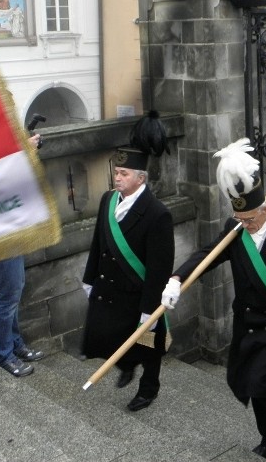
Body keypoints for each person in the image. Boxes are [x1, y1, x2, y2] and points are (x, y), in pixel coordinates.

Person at [161, 139, 266, 458]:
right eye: (240, 219)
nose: (245, 225)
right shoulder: (236, 229)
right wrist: (177, 278)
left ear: (264, 208)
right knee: (242, 382)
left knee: (261, 385)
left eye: (250, 220)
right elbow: (207, 255)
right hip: (247, 322)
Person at [81, 112, 174, 411]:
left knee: (149, 344)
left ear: (141, 178)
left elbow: (160, 268)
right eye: (116, 172)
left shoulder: (158, 214)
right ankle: (125, 365)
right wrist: (89, 276)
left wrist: (151, 310)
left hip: (139, 293)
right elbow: (98, 242)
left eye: (123, 174)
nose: (116, 178)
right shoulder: (107, 200)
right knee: (106, 334)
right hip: (111, 288)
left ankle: (149, 389)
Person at [0, 131, 45, 377]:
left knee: (15, 287)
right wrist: (26, 149)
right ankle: (2, 353)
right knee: (8, 291)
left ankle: (13, 343)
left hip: (9, 221)